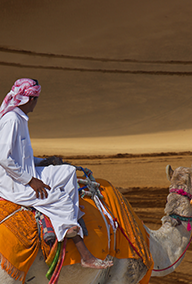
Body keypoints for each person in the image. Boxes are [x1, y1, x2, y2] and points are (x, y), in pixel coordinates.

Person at [0, 78, 113, 269]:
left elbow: (20, 157)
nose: (36, 104)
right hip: (13, 182)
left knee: (68, 172)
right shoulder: (12, 120)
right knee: (58, 196)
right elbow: (3, 158)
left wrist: (44, 161)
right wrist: (31, 181)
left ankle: (69, 218)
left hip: (24, 172)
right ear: (29, 99)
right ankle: (80, 248)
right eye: (36, 99)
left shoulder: (19, 118)